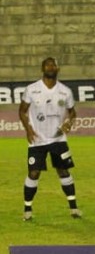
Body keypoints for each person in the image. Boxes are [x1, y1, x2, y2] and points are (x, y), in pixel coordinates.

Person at [19, 57, 81, 220]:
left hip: (58, 139)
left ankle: (74, 208)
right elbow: (22, 111)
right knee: (34, 173)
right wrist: (28, 129)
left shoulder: (65, 91)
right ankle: (27, 210)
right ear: (42, 69)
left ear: (57, 69)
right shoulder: (32, 89)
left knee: (63, 171)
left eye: (53, 65)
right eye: (47, 65)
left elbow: (72, 112)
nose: (50, 67)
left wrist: (69, 122)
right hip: (37, 140)